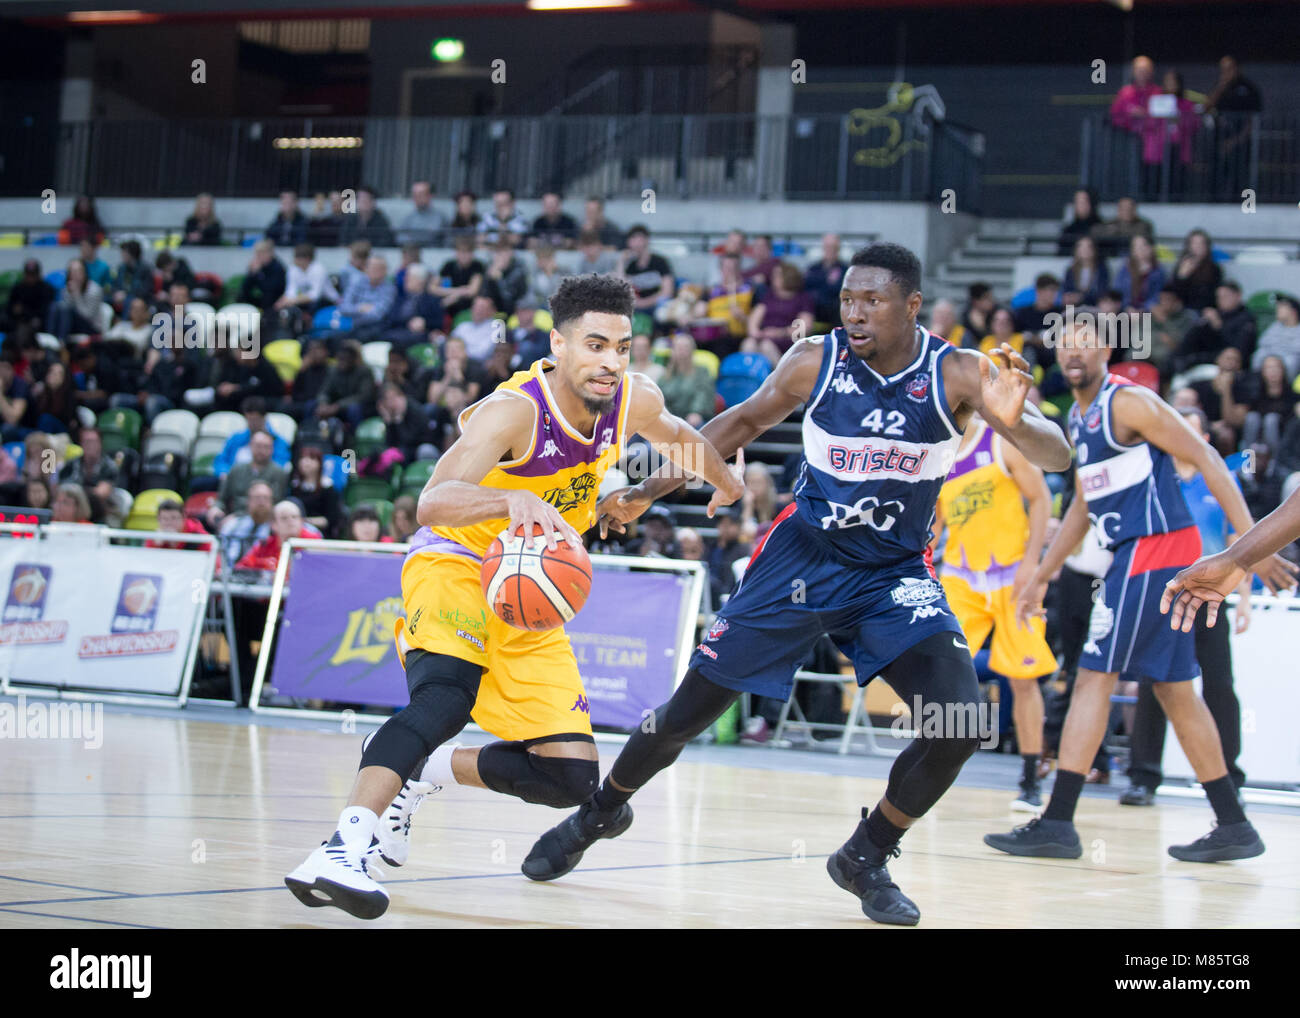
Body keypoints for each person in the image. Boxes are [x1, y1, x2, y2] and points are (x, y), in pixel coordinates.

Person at [520, 243, 1071, 926]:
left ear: (912, 307)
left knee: (959, 723)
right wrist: (647, 491)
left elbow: (1059, 454)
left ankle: (866, 854)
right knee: (687, 712)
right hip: (802, 560)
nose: (856, 312)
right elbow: (738, 424)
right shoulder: (815, 359)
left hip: (890, 575)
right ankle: (599, 812)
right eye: (848, 299)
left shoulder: (959, 371)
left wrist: (1018, 420)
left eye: (873, 300)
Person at [284, 273, 745, 919]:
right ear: (557, 343)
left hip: (530, 589)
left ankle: (424, 773)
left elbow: (677, 434)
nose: (610, 360)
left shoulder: (631, 398)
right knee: (444, 699)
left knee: (570, 778)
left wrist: (723, 482)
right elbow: (431, 503)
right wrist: (511, 497)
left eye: (621, 345)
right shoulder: (516, 410)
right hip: (458, 560)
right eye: (594, 344)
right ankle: (341, 848)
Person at [985, 321, 1294, 863]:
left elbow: (1206, 458)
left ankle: (1057, 821)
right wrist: (1039, 576)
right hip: (1140, 554)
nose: (1074, 351)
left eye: (1086, 342)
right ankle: (1233, 824)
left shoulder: (1126, 403)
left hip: (1155, 551)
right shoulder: (1079, 420)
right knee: (1174, 689)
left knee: (1092, 677)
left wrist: (1248, 549)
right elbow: (1082, 505)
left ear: (1107, 350)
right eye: (1066, 342)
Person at [1122, 407, 1251, 805]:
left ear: (1206, 440)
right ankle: (1143, 777)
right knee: (1154, 682)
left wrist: (1244, 599)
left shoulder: (1221, 480)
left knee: (1219, 685)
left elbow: (1243, 542)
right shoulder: (1156, 478)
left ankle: (1229, 776)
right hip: (1166, 594)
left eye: (1194, 432)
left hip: (1211, 596)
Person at [932, 412, 1057, 811]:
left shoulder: (999, 442)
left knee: (1022, 680)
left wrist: (1032, 565)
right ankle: (930, 770)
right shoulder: (939, 456)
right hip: (961, 577)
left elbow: (1040, 498)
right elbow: (933, 524)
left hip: (1011, 576)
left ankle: (1030, 777)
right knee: (938, 672)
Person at [619, 226, 675, 312]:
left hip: (658, 307)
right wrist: (621, 262)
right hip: (636, 309)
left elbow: (667, 292)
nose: (636, 243)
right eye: (632, 239)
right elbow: (623, 290)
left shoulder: (660, 262)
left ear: (646, 240)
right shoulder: (631, 266)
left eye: (639, 238)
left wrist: (644, 303)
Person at [47, 258, 105, 341]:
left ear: (85, 273)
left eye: (78, 271)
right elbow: (64, 312)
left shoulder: (94, 290)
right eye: (72, 272)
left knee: (64, 308)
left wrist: (76, 295)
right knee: (55, 306)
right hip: (72, 323)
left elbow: (87, 316)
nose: (75, 275)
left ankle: (61, 342)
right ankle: (50, 340)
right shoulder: (67, 288)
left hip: (92, 327)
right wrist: (70, 294)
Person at [432, 235, 485, 320]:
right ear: (456, 252)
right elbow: (432, 288)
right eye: (461, 252)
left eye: (467, 252)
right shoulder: (448, 265)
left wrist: (454, 297)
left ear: (472, 254)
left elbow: (472, 291)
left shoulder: (477, 266)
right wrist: (458, 291)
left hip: (467, 307)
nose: (464, 255)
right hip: (447, 305)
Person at [1250, 296, 1300, 378]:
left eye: (1281, 307)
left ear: (1293, 311)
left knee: (1291, 361)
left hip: (1289, 358)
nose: (1277, 310)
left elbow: (1297, 349)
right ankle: (1257, 383)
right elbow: (1263, 342)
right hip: (1271, 355)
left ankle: (1287, 389)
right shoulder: (1276, 325)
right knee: (1258, 355)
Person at [804, 233, 847, 327]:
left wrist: (824, 285)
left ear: (838, 249)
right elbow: (807, 286)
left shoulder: (845, 269)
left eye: (833, 247)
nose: (830, 250)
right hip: (814, 308)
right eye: (827, 247)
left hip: (834, 310)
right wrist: (828, 283)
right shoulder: (813, 268)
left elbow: (839, 290)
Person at [1113, 234, 1165, 312]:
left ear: (1151, 248)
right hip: (1125, 309)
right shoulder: (1125, 268)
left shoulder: (1159, 271)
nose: (1140, 249)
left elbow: (1158, 295)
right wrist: (1127, 307)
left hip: (1149, 311)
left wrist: (1143, 309)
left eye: (1143, 245)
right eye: (1136, 246)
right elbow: (1117, 290)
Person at [1061, 236, 1109, 308]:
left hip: (1094, 306)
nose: (1085, 250)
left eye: (1088, 247)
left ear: (1094, 250)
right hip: (1074, 306)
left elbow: (1102, 292)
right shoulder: (1071, 270)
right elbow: (1066, 289)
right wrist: (1069, 296)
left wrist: (1081, 297)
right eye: (1081, 247)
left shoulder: (1101, 269)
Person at [395, 180, 445, 247]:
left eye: (421, 194)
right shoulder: (409, 217)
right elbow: (400, 238)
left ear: (430, 196)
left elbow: (436, 237)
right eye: (414, 194)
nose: (417, 198)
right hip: (412, 253)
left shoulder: (440, 217)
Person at [1057, 189, 1102, 256]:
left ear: (1092, 203)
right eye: (1077, 202)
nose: (1080, 206)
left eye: (1084, 202)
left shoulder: (1102, 229)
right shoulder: (1068, 231)